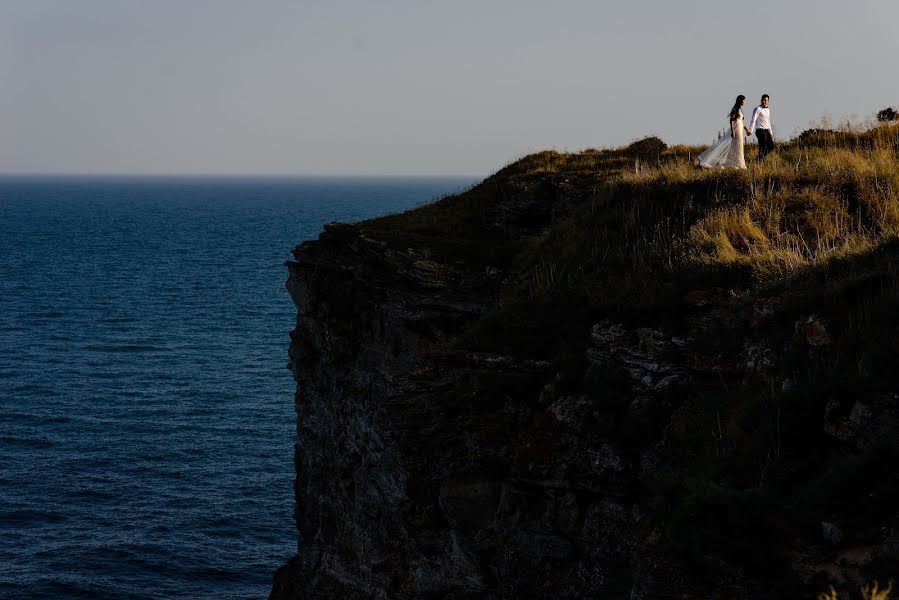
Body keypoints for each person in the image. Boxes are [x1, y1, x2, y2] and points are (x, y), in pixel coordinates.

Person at [697, 95, 750, 169]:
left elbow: (742, 122)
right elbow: (731, 120)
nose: (745, 102)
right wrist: (732, 131)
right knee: (737, 146)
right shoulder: (736, 109)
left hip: (740, 130)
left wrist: (747, 130)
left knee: (739, 147)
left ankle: (737, 163)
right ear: (740, 101)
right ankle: (740, 164)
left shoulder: (740, 110)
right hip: (736, 131)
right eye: (744, 100)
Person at [748, 94, 774, 159]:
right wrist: (750, 130)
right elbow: (753, 120)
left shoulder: (768, 110)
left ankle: (758, 159)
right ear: (761, 100)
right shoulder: (757, 109)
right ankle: (759, 162)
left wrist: (770, 133)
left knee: (771, 146)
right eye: (763, 100)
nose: (764, 101)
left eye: (765, 100)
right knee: (762, 147)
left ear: (768, 101)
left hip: (766, 130)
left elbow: (768, 121)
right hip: (760, 131)